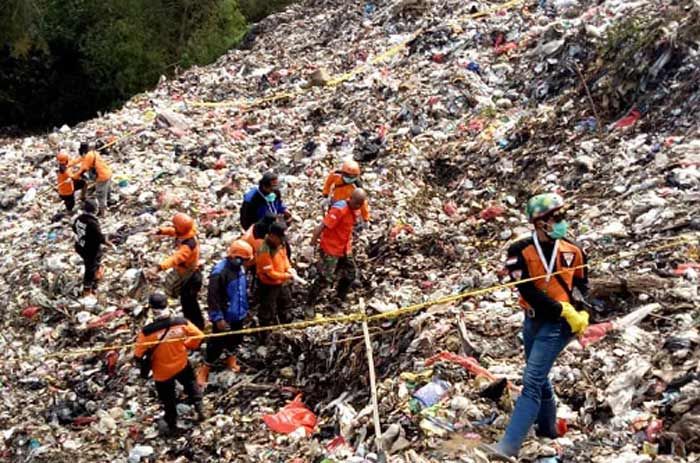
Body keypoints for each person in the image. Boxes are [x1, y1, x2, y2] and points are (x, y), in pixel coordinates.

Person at [481, 193, 589, 460]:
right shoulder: (519, 251)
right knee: (539, 378)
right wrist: (560, 306)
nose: (563, 222)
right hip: (533, 320)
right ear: (540, 223)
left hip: (559, 326)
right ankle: (548, 428)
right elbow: (526, 290)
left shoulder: (573, 251)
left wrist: (580, 312)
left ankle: (508, 447)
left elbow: (582, 287)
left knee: (531, 382)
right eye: (557, 218)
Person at [134, 293, 204, 436]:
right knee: (191, 385)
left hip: (162, 373)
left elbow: (138, 355)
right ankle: (200, 409)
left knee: (168, 400)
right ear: (167, 304)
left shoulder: (148, 332)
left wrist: (143, 365)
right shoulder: (181, 322)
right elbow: (199, 336)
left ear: (152, 309)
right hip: (181, 364)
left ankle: (172, 426)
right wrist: (187, 345)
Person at [196, 240, 255, 388]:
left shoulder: (240, 269)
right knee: (216, 344)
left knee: (236, 338)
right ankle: (204, 370)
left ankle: (231, 360)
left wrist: (245, 309)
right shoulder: (219, 273)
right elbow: (213, 298)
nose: (246, 263)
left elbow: (242, 291)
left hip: (238, 313)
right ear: (236, 258)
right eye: (245, 260)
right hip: (225, 316)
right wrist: (218, 318)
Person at [308, 189, 368, 309]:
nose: (358, 206)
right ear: (350, 199)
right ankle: (309, 304)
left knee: (350, 274)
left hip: (345, 247)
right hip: (331, 248)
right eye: (356, 203)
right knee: (324, 278)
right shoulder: (339, 209)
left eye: (360, 204)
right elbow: (321, 226)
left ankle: (339, 297)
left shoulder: (355, 209)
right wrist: (312, 244)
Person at [151, 213, 204, 329]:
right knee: (186, 302)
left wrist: (159, 267)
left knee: (189, 304)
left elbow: (176, 258)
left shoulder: (188, 246)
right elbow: (173, 231)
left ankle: (196, 328)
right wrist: (160, 231)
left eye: (175, 226)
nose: (174, 228)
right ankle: (191, 325)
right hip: (187, 273)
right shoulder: (186, 231)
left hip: (191, 277)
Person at [255, 222, 294, 329]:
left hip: (281, 281)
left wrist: (289, 268)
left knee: (286, 302)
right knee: (267, 310)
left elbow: (284, 257)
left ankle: (285, 325)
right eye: (280, 237)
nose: (282, 240)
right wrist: (286, 276)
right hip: (269, 285)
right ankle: (265, 335)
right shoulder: (264, 250)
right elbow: (270, 273)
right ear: (272, 236)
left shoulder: (281, 243)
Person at [72, 199, 106, 296]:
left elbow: (74, 228)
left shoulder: (79, 218)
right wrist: (109, 244)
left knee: (95, 262)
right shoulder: (92, 222)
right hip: (90, 250)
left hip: (80, 246)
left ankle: (96, 275)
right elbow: (100, 237)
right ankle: (87, 289)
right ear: (94, 209)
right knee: (90, 268)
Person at [71, 142, 113, 215]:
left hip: (102, 177)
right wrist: (69, 164)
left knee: (100, 194)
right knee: (107, 190)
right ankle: (109, 201)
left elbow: (83, 169)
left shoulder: (88, 157)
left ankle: (103, 212)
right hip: (107, 172)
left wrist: (75, 176)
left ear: (83, 151)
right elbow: (79, 159)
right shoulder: (92, 153)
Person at [322, 159, 370, 223]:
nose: (350, 178)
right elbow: (328, 183)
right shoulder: (336, 175)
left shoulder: (357, 185)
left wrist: (365, 218)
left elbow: (362, 202)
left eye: (353, 176)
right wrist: (325, 195)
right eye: (348, 175)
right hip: (335, 200)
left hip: (347, 206)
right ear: (343, 173)